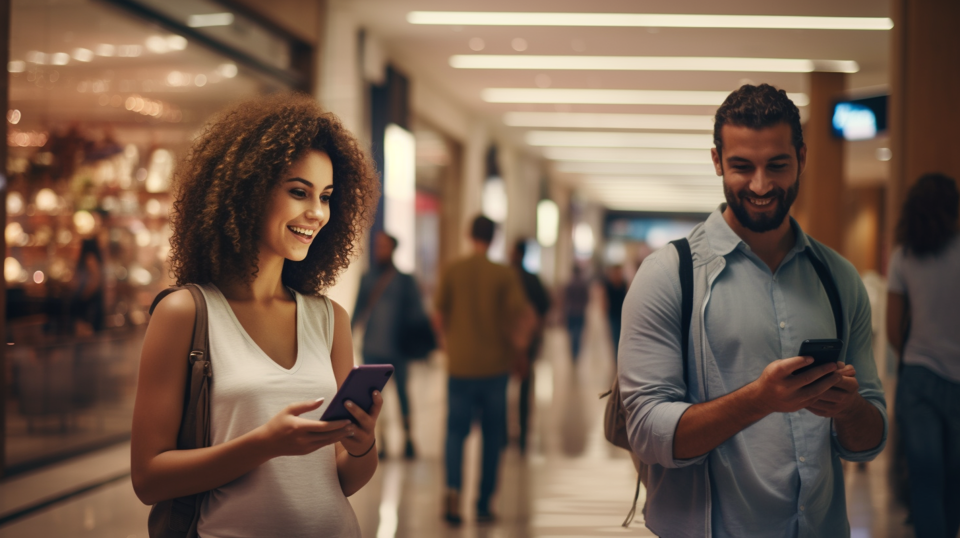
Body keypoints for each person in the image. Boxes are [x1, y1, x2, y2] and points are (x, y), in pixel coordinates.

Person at [619, 84, 887, 537]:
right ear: (717, 160)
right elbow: (646, 429)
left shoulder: (839, 279)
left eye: (777, 165)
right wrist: (760, 399)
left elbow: (870, 439)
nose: (761, 185)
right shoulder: (668, 275)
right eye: (743, 166)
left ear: (801, 158)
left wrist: (850, 408)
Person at [130, 94, 381, 537]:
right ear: (248, 190)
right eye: (299, 192)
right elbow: (149, 478)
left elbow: (342, 480)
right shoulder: (185, 313)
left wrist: (362, 447)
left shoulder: (328, 320)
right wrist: (263, 445)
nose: (317, 213)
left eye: (325, 196)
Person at [434, 215, 534, 524]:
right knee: (493, 436)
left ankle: (452, 496)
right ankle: (483, 503)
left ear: (468, 234)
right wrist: (520, 352)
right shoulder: (503, 274)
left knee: (455, 433)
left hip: (460, 367)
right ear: (492, 238)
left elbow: (438, 313)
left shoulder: (453, 269)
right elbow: (524, 317)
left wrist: (447, 344)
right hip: (494, 369)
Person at [886, 173, 960, 538]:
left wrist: (919, 353)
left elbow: (893, 327)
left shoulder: (904, 256)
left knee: (925, 479)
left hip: (918, 377)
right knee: (954, 481)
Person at [353, 231, 427, 459]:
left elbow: (417, 314)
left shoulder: (405, 280)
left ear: (393, 249)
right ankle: (380, 443)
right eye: (377, 246)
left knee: (404, 395)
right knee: (375, 399)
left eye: (383, 246)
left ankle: (408, 438)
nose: (379, 251)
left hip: (399, 350)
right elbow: (358, 311)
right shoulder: (367, 278)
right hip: (372, 349)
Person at [509, 239, 551, 454]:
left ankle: (501, 436)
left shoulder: (506, 276)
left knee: (503, 387)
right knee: (525, 387)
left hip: (505, 343)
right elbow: (545, 306)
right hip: (528, 342)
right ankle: (524, 434)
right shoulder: (533, 279)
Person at [71, 238, 105, 333]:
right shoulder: (95, 257)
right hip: (93, 298)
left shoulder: (90, 258)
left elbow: (95, 279)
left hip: (90, 299)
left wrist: (84, 295)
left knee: (86, 330)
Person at [563, 265, 589, 362]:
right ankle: (576, 352)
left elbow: (565, 299)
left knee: (571, 333)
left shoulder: (569, 284)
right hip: (580, 312)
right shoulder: (583, 284)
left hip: (571, 311)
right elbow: (586, 299)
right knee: (578, 333)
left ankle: (573, 352)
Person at [602, 264, 627, 361]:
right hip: (612, 315)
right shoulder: (608, 285)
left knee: (622, 338)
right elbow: (604, 300)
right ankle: (616, 359)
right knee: (615, 338)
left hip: (622, 316)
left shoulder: (624, 284)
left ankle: (620, 358)